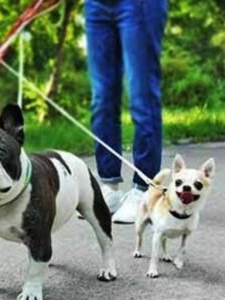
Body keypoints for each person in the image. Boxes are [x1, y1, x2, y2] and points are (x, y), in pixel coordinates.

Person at [84, 0, 168, 223]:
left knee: (142, 95)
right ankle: (109, 186)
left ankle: (144, 190)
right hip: (96, 6)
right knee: (102, 98)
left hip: (139, 5)